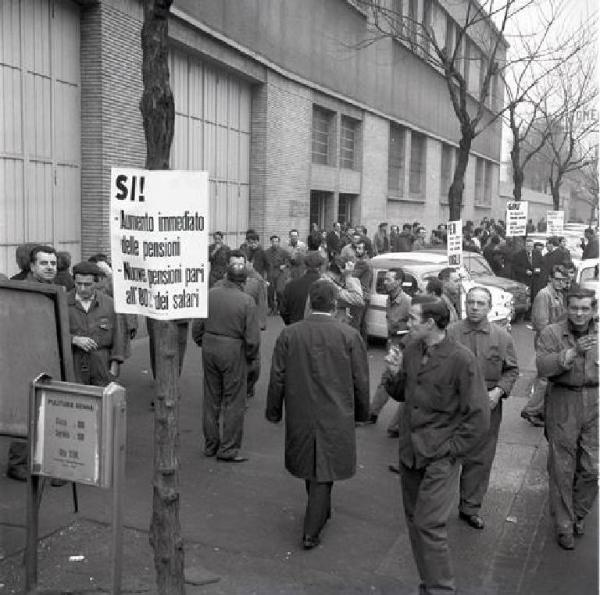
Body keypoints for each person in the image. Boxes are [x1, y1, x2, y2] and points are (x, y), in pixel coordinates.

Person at [384, 295, 489, 594]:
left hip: (440, 457)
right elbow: (402, 393)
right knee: (415, 523)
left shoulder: (461, 359)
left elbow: (479, 416)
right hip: (410, 454)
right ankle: (429, 585)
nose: (408, 323)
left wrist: (451, 451)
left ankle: (441, 590)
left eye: (413, 319)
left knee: (429, 525)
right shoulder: (412, 349)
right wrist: (392, 374)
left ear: (431, 323)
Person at [266, 279, 370, 549]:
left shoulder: (290, 334)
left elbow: (277, 376)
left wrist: (274, 411)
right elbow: (361, 379)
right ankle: (312, 528)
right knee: (324, 466)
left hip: (302, 410)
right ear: (336, 304)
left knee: (314, 465)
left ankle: (319, 512)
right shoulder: (349, 335)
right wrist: (362, 413)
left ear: (311, 302)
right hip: (336, 411)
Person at [447, 287, 519, 529]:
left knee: (481, 458)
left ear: (489, 307)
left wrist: (498, 392)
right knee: (447, 456)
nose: (475, 307)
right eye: (471, 302)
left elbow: (511, 370)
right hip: (455, 406)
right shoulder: (451, 332)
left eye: (480, 303)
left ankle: (470, 507)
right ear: (465, 304)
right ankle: (438, 506)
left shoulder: (502, 337)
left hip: (488, 407)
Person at [536, 286, 598, 550]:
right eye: (574, 307)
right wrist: (573, 353)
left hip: (595, 401)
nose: (579, 313)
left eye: (585, 308)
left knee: (593, 467)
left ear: (594, 308)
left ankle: (578, 513)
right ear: (565, 306)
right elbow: (542, 366)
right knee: (562, 466)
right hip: (563, 400)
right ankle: (564, 525)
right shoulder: (551, 333)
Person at [191, 258, 260, 462]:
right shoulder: (246, 301)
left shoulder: (210, 295)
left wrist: (203, 342)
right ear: (243, 281)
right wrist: (250, 357)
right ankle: (228, 448)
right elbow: (252, 339)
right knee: (234, 400)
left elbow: (197, 327)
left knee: (211, 397)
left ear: (226, 276)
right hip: (233, 350)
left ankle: (210, 444)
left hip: (210, 346)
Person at [6, 245, 59, 482]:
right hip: (24, 358)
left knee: (48, 409)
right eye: (44, 263)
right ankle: (17, 464)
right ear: (32, 266)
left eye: (53, 263)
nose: (50, 267)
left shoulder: (56, 289)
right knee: (25, 409)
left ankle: (43, 460)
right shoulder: (18, 288)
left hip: (49, 355)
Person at [520, 265, 569, 427]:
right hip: (546, 341)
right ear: (550, 278)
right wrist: (553, 342)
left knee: (548, 377)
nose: (561, 283)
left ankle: (539, 410)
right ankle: (532, 410)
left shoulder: (558, 295)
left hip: (554, 340)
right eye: (557, 279)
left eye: (563, 280)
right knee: (544, 378)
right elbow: (541, 323)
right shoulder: (544, 295)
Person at [366, 268, 411, 434]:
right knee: (388, 380)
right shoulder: (388, 300)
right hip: (393, 346)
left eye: (388, 279)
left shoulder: (407, 302)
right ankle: (373, 413)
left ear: (398, 282)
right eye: (384, 279)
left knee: (406, 385)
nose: (385, 282)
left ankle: (396, 424)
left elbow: (414, 328)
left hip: (404, 348)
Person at [68, 261, 125, 386]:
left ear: (97, 282)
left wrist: (114, 368)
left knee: (103, 402)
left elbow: (118, 337)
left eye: (88, 284)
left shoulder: (109, 304)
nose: (82, 288)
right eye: (79, 284)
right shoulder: (63, 303)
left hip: (102, 363)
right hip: (74, 362)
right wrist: (74, 339)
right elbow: (53, 334)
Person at [279, 251, 323, 325]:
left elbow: (283, 310)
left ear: (305, 266)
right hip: (319, 329)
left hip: (296, 327)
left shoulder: (291, 285)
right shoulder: (326, 286)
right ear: (320, 267)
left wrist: (290, 323)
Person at [512, 237, 547, 312]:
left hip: (535, 280)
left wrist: (538, 270)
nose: (529, 248)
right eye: (528, 246)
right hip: (524, 280)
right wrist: (525, 271)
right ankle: (524, 313)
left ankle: (531, 313)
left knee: (534, 296)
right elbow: (515, 267)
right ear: (525, 246)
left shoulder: (537, 253)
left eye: (531, 246)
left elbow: (542, 265)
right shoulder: (519, 255)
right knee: (525, 297)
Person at [264, 234, 290, 315]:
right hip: (270, 273)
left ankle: (279, 307)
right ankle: (272, 308)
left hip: (280, 273)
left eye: (276, 241)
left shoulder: (283, 251)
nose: (275, 243)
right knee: (270, 292)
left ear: (279, 242)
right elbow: (264, 263)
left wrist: (285, 265)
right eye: (273, 241)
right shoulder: (266, 252)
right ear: (271, 242)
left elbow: (289, 260)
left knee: (279, 291)